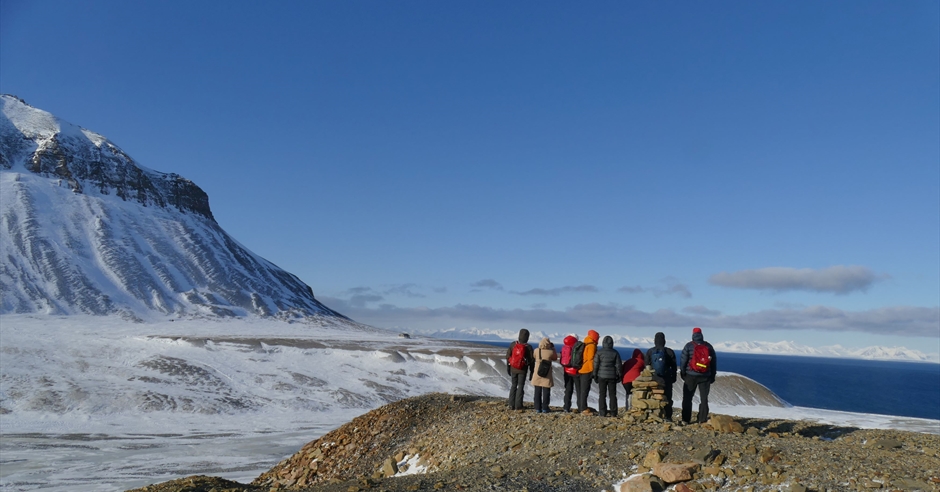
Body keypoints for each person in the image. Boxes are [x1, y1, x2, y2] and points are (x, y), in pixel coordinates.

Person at [679, 327, 717, 424]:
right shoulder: (708, 346)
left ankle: (686, 419)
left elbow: (683, 360)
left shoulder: (688, 346)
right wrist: (712, 375)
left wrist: (683, 372)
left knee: (687, 398)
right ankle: (702, 419)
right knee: (704, 398)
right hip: (705, 376)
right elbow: (713, 362)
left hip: (691, 375)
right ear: (701, 334)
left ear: (693, 334)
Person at [646, 332, 678, 420]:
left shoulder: (650, 351)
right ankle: (667, 416)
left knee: (654, 396)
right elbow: (674, 366)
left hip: (654, 378)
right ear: (664, 341)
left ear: (655, 341)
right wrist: (673, 377)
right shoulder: (669, 351)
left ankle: (655, 415)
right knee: (667, 397)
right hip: (667, 378)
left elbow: (646, 366)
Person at [592, 335, 622, 417]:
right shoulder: (615, 353)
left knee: (602, 394)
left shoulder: (599, 352)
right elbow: (618, 365)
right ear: (612, 343)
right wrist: (619, 375)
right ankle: (613, 412)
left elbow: (596, 365)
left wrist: (595, 375)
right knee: (612, 395)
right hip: (612, 376)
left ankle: (602, 412)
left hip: (601, 376)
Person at [506, 328, 535, 411]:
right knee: (521, 386)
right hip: (522, 369)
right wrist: (531, 372)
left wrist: (508, 367)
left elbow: (508, 356)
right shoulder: (528, 347)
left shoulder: (513, 344)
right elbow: (531, 361)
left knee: (513, 385)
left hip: (513, 368)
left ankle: (511, 404)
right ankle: (518, 405)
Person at [530, 337, 558, 413]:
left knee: (537, 391)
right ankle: (545, 407)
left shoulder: (536, 350)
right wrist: (553, 348)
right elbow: (555, 358)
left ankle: (537, 407)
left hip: (537, 372)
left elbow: (534, 356)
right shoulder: (550, 352)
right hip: (547, 373)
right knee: (546, 391)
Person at [576, 330, 599, 414]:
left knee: (582, 389)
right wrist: (594, 370)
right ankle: (583, 407)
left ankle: (581, 406)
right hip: (587, 369)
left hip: (582, 369)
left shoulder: (586, 343)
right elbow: (591, 359)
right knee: (585, 389)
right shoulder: (592, 345)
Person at [560, 334, 579, 412]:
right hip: (575, 371)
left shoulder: (565, 346)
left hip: (566, 370)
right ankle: (580, 407)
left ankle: (566, 407)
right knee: (578, 390)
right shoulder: (576, 346)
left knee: (568, 389)